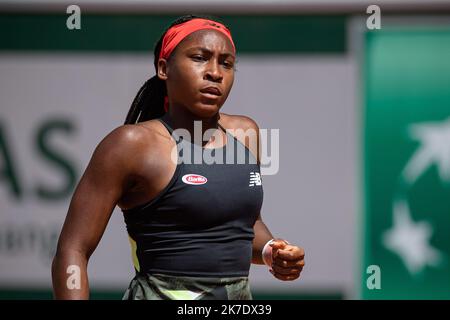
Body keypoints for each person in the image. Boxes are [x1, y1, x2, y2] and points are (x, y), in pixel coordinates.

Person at [51, 14, 305, 300]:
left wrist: (272, 250)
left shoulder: (246, 133)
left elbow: (244, 226)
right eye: (200, 58)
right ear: (163, 68)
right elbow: (73, 250)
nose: (215, 72)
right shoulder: (129, 144)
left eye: (226, 63)